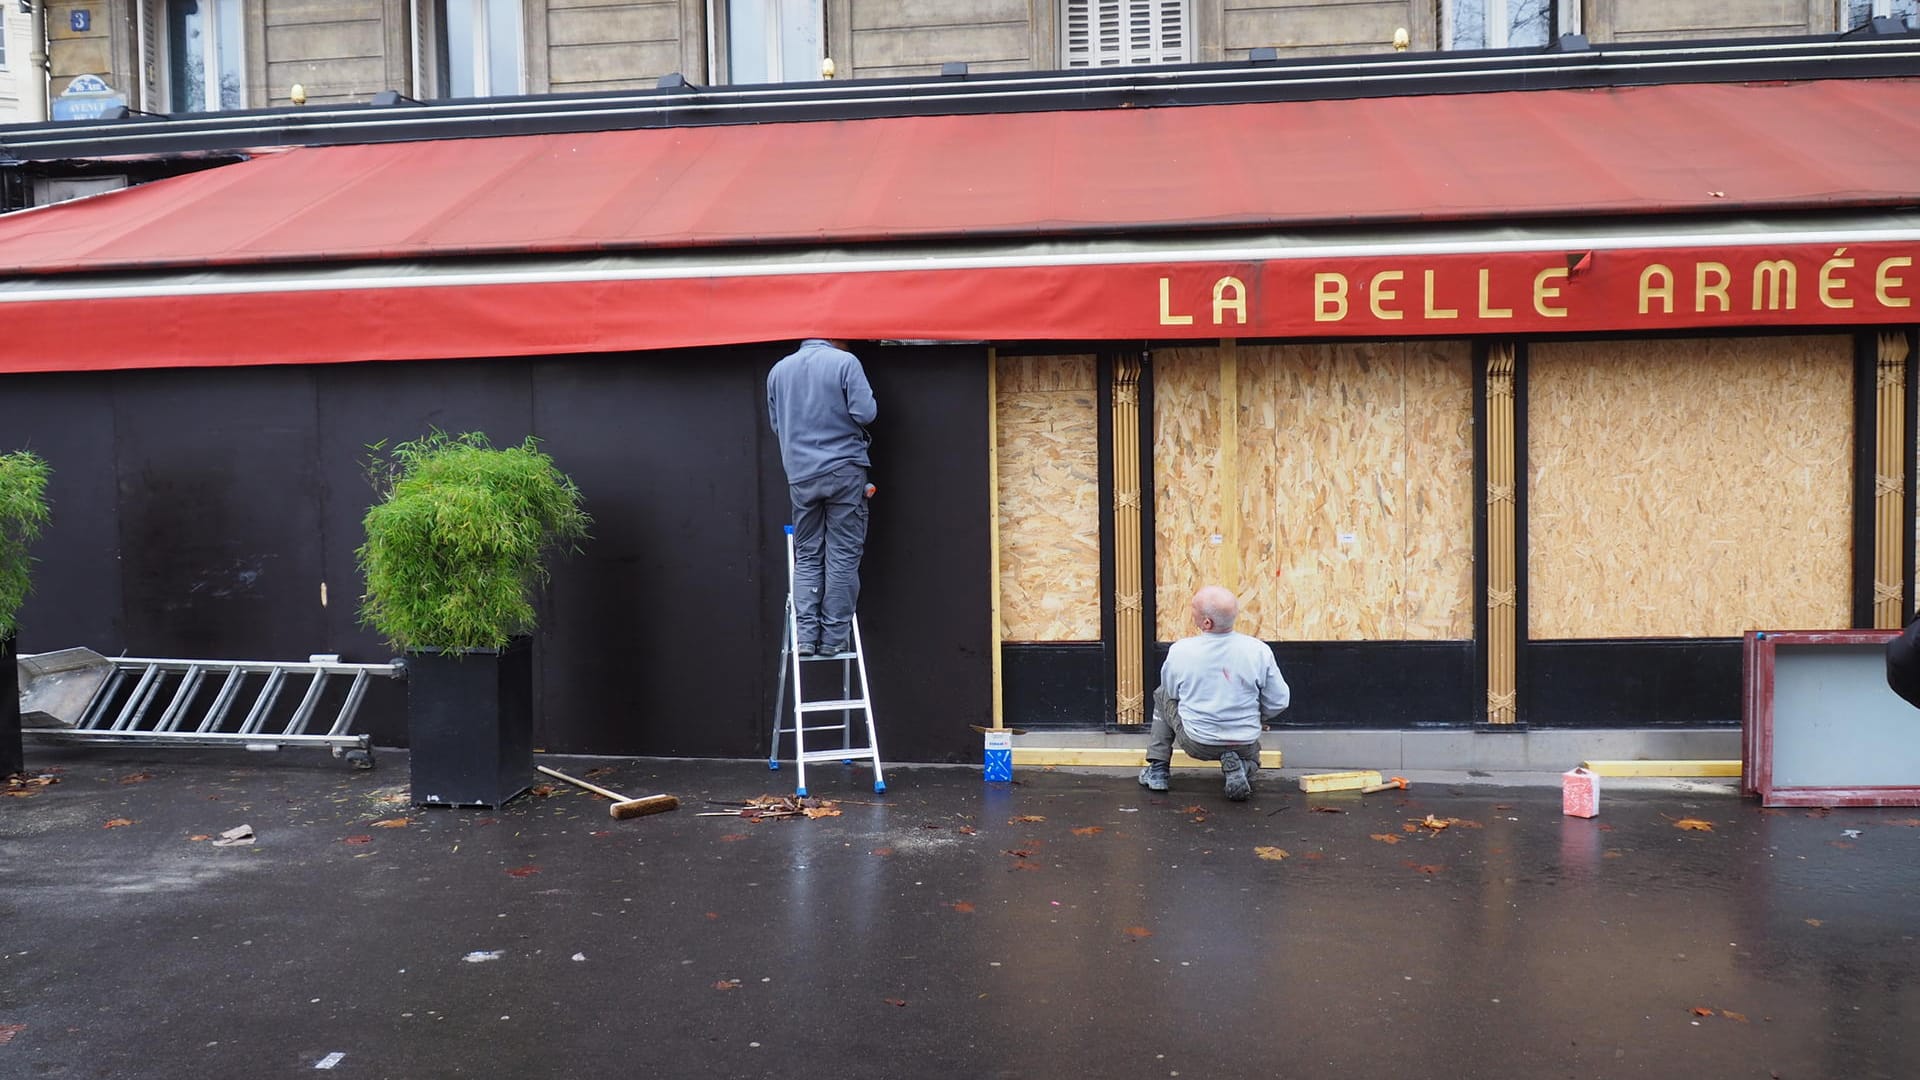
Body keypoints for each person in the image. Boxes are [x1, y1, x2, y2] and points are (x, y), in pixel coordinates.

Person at [767, 338, 877, 657]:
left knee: (808, 552)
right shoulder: (845, 363)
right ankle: (832, 639)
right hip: (844, 468)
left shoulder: (778, 371)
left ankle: (804, 636)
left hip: (801, 474)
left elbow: (778, 426)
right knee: (842, 551)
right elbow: (866, 413)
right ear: (838, 337)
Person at [1140, 585, 1290, 801]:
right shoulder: (1258, 650)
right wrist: (1258, 717)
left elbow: (1172, 692)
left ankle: (1158, 770)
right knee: (1253, 760)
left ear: (1206, 623)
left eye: (1193, 610)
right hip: (1244, 742)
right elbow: (1279, 700)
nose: (1190, 613)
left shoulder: (1181, 651)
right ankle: (1242, 767)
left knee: (1161, 693)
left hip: (1198, 742)